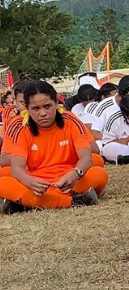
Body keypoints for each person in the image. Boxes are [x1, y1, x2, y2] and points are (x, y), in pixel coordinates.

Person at [0, 81, 109, 213]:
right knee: (3, 183)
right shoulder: (22, 129)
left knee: (99, 173)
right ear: (27, 109)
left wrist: (76, 173)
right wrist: (30, 182)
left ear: (56, 103)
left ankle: (27, 203)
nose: (42, 113)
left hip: (70, 179)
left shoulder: (70, 122)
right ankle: (74, 201)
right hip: (38, 183)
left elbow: (86, 157)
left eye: (47, 106)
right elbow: (16, 167)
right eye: (35, 109)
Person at [101, 94, 129, 164]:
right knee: (107, 149)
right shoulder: (115, 118)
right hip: (125, 148)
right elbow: (106, 144)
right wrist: (126, 140)